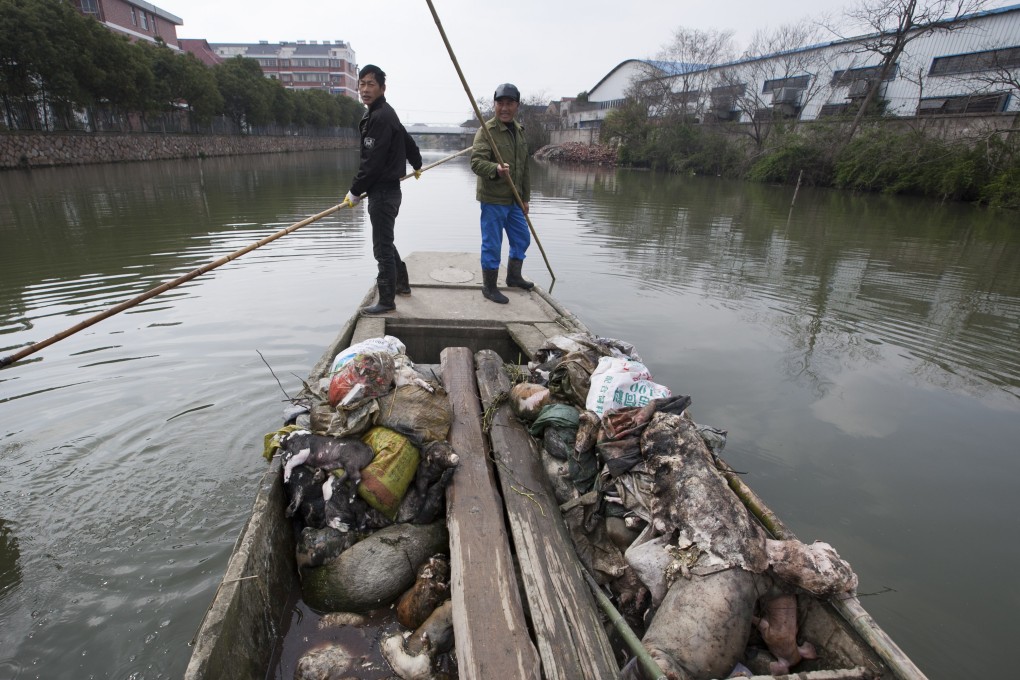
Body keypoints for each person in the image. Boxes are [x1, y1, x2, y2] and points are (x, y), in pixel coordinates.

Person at [343, 64, 423, 315]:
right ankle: (402, 285)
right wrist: (417, 162)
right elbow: (406, 139)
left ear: (382, 88)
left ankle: (387, 300)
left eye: (371, 84)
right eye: (362, 84)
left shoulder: (380, 116)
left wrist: (355, 191)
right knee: (386, 241)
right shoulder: (385, 113)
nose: (365, 89)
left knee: (381, 247)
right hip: (388, 191)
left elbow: (372, 163)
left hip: (384, 192)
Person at [470, 82, 533, 304]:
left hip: (514, 200)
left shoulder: (520, 132)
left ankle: (514, 277)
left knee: (522, 238)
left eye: (509, 104)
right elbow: (476, 163)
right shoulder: (486, 131)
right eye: (500, 103)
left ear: (517, 106)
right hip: (493, 199)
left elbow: (525, 168)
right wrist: (495, 169)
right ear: (494, 105)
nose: (504, 108)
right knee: (492, 244)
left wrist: (525, 198)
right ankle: (489, 287)